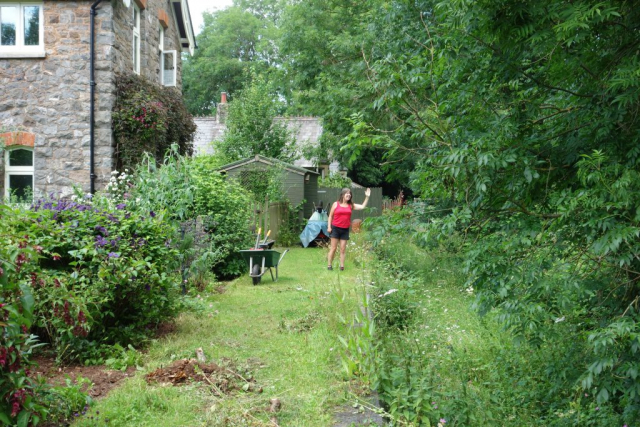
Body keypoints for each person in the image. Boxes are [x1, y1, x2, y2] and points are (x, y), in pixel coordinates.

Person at [327, 187, 371, 270]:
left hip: (345, 229)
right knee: (333, 248)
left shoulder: (351, 205)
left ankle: (342, 266)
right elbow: (330, 216)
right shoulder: (335, 204)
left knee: (343, 249)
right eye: (347, 193)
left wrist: (367, 197)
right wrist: (329, 227)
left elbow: (362, 206)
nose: (349, 195)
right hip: (335, 228)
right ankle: (329, 265)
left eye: (350, 194)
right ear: (343, 195)